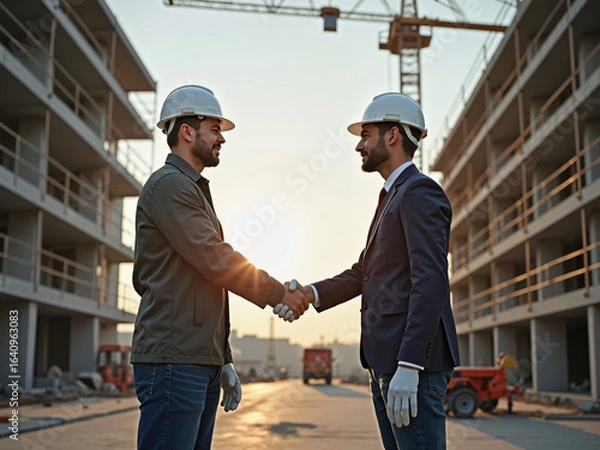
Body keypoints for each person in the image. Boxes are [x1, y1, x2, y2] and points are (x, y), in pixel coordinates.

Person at [275, 92, 460, 450]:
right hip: (387, 365)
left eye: (365, 134)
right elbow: (365, 272)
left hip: (410, 368)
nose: (359, 145)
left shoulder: (418, 192)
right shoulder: (392, 196)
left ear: (392, 136)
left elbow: (432, 280)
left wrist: (410, 365)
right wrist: (309, 293)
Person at [131, 84, 308, 450]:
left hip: (196, 361)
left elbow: (206, 285)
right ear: (186, 132)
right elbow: (216, 259)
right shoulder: (170, 187)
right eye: (215, 129)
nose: (221, 139)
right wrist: (279, 293)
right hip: (173, 362)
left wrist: (222, 358)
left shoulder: (190, 189)